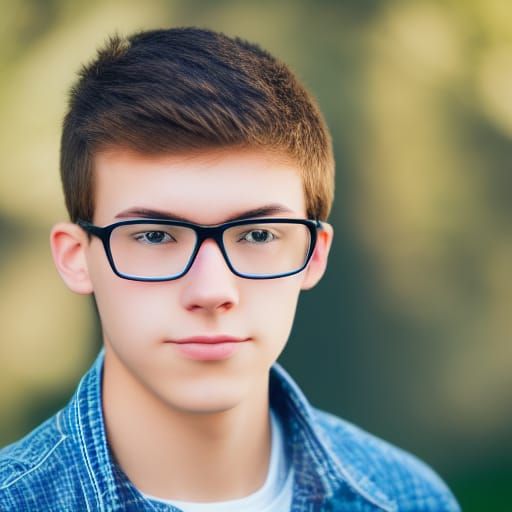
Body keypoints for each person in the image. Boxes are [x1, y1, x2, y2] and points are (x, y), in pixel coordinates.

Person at [0, 27, 460, 511]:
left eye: (259, 235)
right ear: (76, 258)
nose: (212, 290)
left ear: (315, 254)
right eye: (155, 236)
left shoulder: (408, 498)